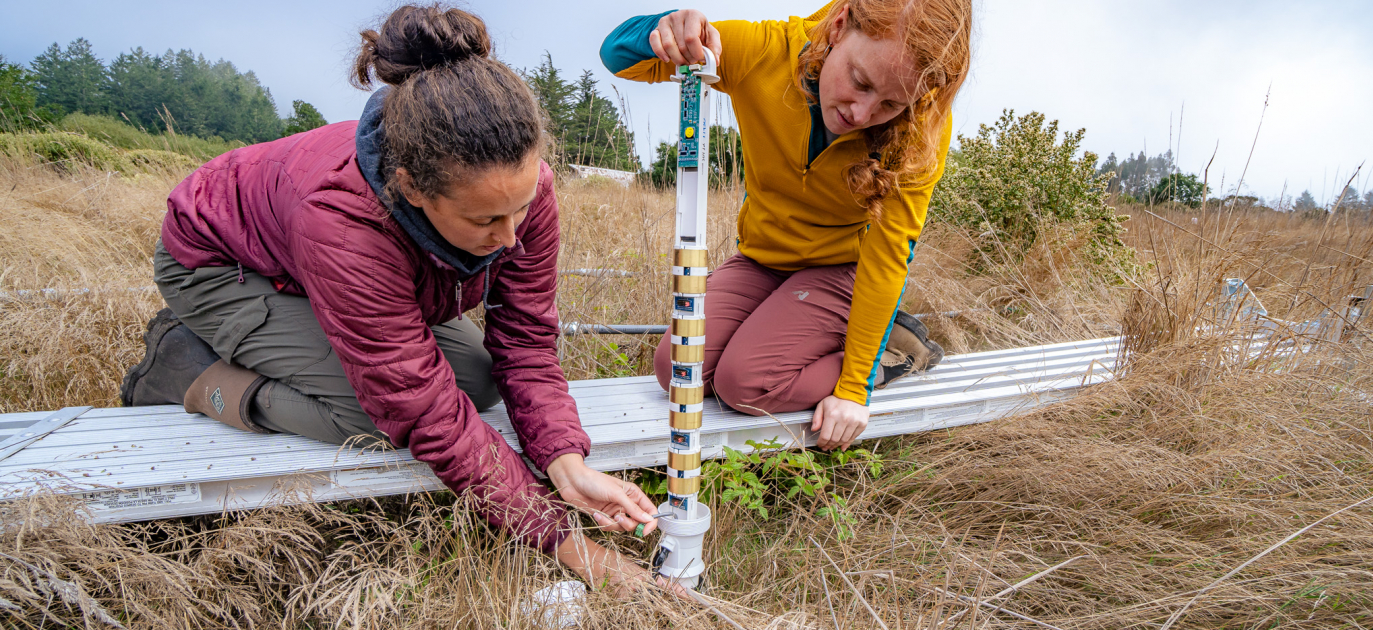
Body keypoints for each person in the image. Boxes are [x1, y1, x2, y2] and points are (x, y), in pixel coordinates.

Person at [120, 4, 669, 594]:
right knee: (379, 417)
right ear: (410, 188)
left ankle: (302, 337)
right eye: (485, 219)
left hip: (324, 267)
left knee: (479, 384)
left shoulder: (521, 191)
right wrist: (569, 544)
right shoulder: (343, 220)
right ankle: (190, 369)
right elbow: (423, 412)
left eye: (522, 209)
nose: (512, 237)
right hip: (221, 266)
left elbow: (526, 341)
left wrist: (567, 465)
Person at [602, 0, 971, 450]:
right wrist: (665, 29)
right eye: (859, 81)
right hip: (762, 259)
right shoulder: (762, 51)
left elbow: (889, 255)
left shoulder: (924, 126)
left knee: (747, 383)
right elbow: (617, 57)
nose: (862, 112)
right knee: (677, 368)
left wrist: (855, 389)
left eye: (890, 103)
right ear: (837, 27)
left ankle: (895, 351)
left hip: (840, 272)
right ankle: (798, 324)